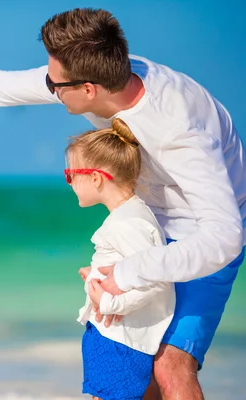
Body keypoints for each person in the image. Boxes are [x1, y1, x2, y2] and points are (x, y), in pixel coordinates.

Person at [0, 8, 246, 399]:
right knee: (136, 362)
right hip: (147, 223)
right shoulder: (99, 77)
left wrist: (129, 272)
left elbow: (224, 238)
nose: (48, 88)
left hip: (204, 230)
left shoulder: (180, 131)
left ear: (88, 89)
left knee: (170, 363)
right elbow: (2, 87)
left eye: (56, 85)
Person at [68, 119, 175, 399]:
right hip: (113, 337)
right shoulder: (128, 217)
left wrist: (110, 302)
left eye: (70, 175)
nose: (68, 182)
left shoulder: (128, 223)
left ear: (95, 178)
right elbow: (132, 268)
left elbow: (158, 281)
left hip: (120, 341)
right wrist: (95, 273)